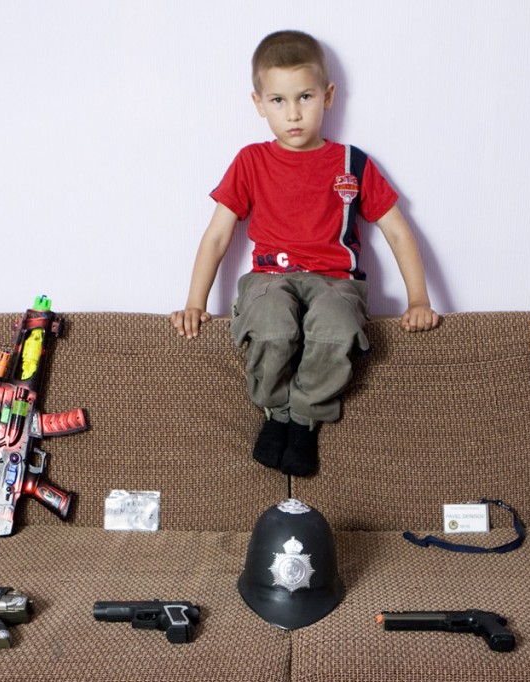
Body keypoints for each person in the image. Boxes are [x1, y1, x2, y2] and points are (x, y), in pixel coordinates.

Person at [171, 29, 439, 475]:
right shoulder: (251, 161)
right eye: (278, 100)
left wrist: (419, 300)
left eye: (305, 97)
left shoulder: (353, 163)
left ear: (327, 96)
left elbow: (397, 232)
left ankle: (303, 420)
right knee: (272, 325)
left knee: (335, 328)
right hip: (270, 279)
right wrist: (194, 303)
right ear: (259, 103)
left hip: (336, 281)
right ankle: (276, 413)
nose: (293, 113)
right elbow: (217, 236)